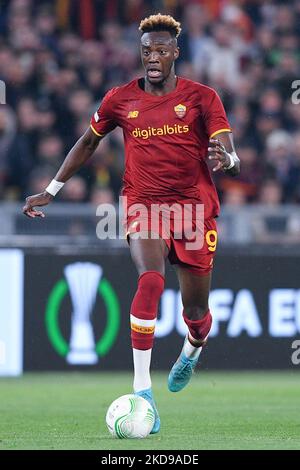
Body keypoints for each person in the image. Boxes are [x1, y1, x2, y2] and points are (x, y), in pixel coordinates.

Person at [23, 13, 240, 434]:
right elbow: (88, 142)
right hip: (143, 205)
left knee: (196, 312)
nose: (153, 56)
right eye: (146, 50)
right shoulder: (120, 99)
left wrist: (227, 160)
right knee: (151, 281)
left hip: (194, 210)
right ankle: (143, 390)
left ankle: (193, 350)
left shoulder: (202, 97)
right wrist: (52, 189)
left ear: (176, 52)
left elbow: (228, 151)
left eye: (161, 49)